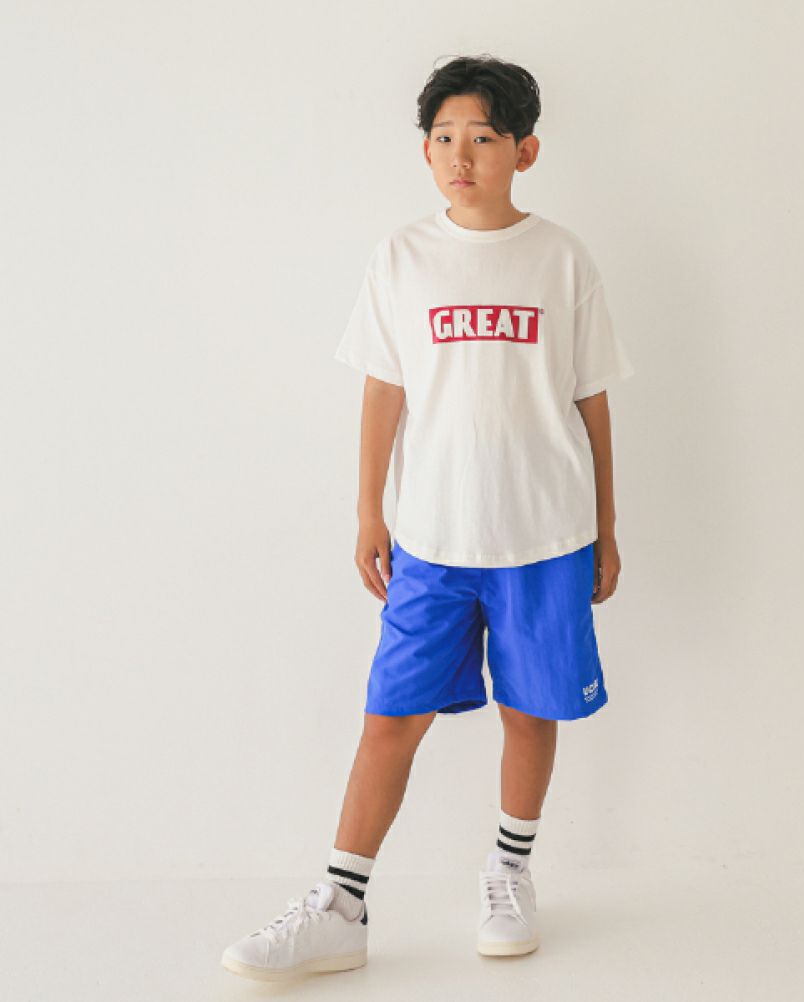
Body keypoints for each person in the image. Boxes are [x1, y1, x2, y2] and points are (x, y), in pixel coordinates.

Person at [221, 53, 635, 982]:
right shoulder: (402, 257)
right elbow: (384, 388)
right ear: (425, 151)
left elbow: (593, 398)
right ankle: (341, 905)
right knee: (391, 716)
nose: (460, 155)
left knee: (531, 709)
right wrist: (368, 510)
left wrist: (607, 525)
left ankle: (511, 870)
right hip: (433, 539)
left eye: (483, 137)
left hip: (546, 534)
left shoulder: (562, 258)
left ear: (525, 150)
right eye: (443, 137)